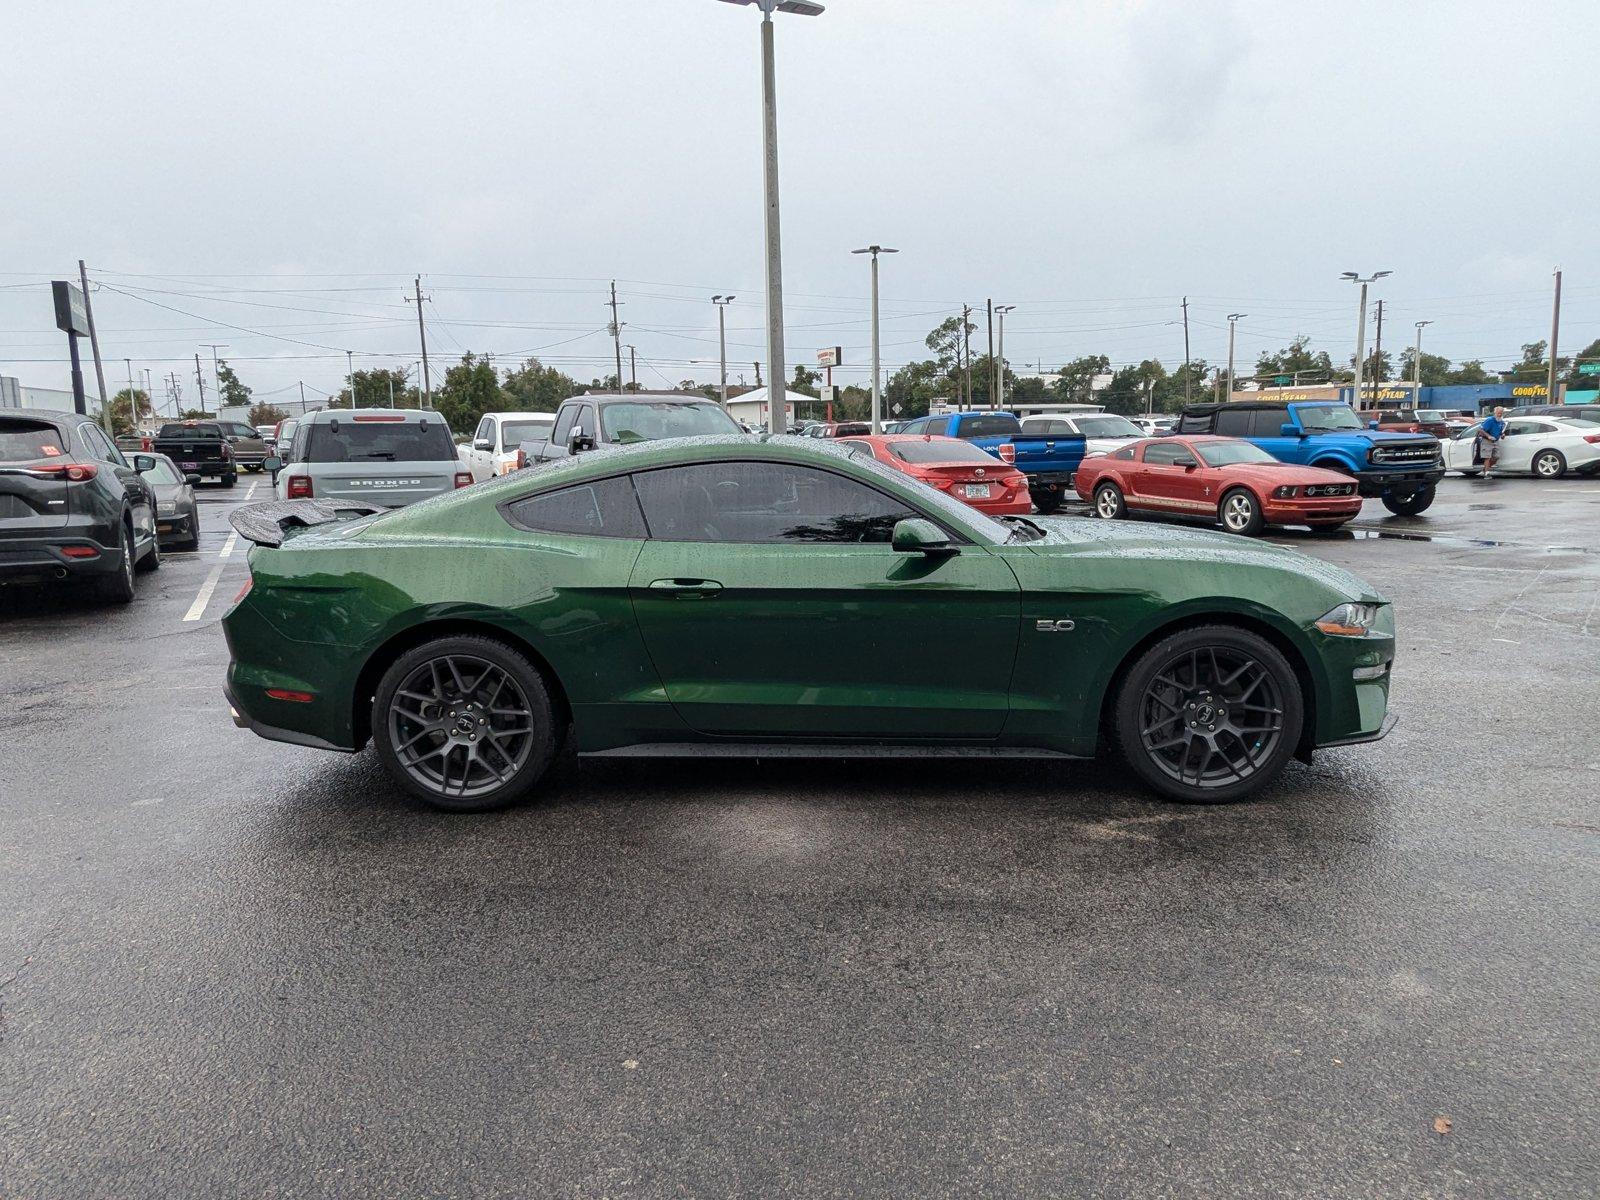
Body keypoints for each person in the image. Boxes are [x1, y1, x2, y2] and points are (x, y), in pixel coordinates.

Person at [1478, 406, 1506, 478]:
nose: (1500, 415)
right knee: (1487, 457)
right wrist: (1488, 436)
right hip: (1487, 441)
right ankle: (1486, 473)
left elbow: (1500, 432)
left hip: (1495, 441)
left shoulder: (1501, 422)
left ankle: (1484, 470)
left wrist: (1502, 435)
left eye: (1501, 413)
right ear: (1495, 413)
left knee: (1496, 457)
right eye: (1498, 413)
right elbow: (1481, 430)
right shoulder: (1490, 420)